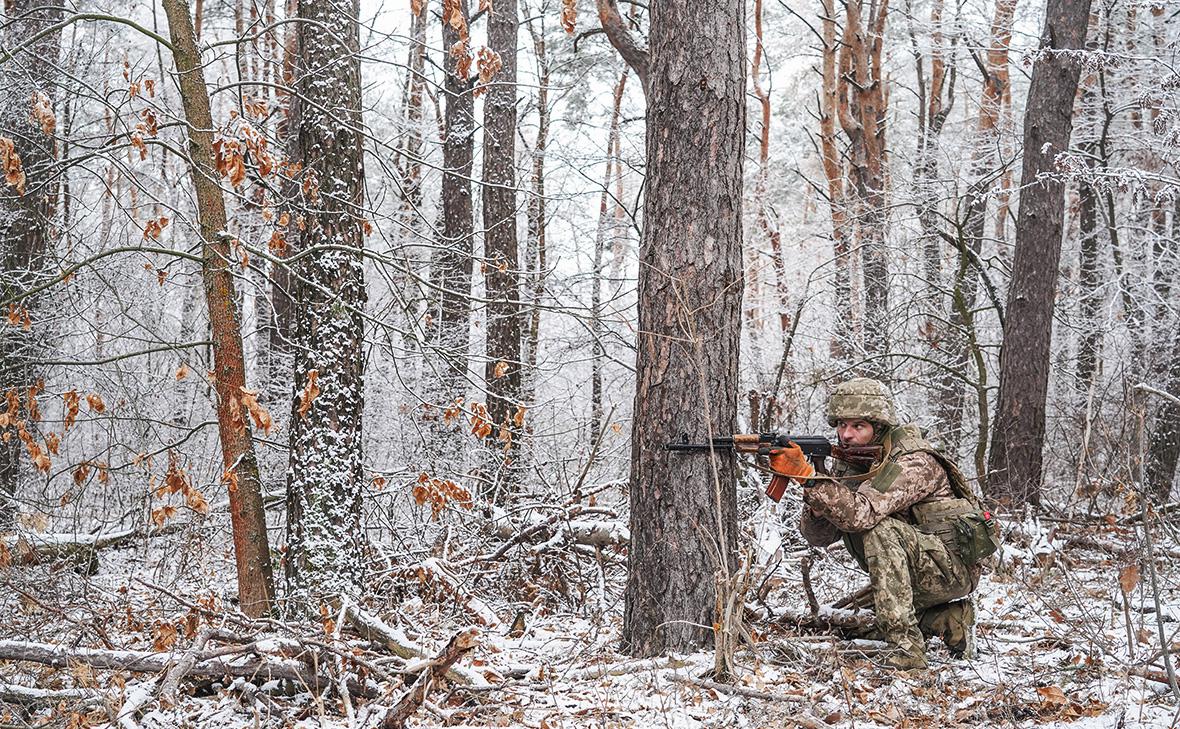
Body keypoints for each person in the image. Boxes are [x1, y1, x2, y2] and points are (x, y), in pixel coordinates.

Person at [768, 377, 996, 669]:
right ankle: (950, 620)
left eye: (858, 426)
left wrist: (810, 480)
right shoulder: (854, 463)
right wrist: (816, 500)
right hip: (914, 574)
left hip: (949, 571)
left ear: (880, 427)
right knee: (844, 621)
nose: (846, 434)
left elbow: (861, 514)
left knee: (879, 528)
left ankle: (907, 651)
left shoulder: (912, 462)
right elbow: (820, 537)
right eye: (841, 425)